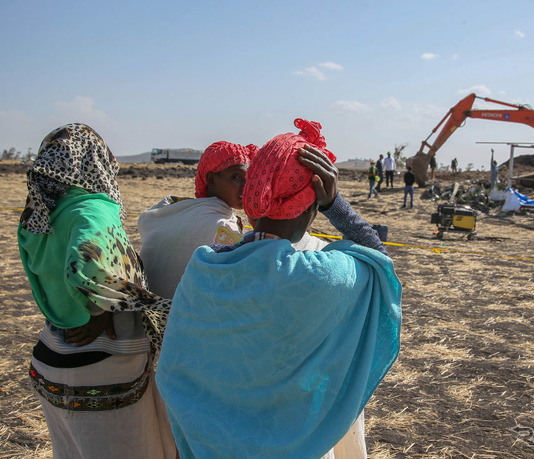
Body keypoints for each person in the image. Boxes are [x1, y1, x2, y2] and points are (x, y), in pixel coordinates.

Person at [156, 118, 402, 459]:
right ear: (313, 206)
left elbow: (174, 370)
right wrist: (337, 206)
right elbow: (378, 260)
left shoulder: (206, 268)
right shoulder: (322, 275)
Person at [17, 123, 176, 458]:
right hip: (103, 360)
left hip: (54, 351)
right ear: (97, 160)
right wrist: (105, 307)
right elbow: (87, 263)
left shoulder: (40, 214)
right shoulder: (92, 208)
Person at [138, 141, 257, 298]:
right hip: (180, 317)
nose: (245, 186)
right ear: (212, 179)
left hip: (150, 314)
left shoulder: (173, 211)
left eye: (248, 179)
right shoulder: (222, 226)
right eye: (236, 177)